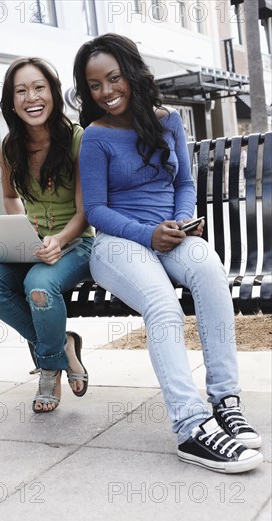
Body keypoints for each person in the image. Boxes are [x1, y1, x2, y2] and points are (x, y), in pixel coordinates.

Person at [73, 33, 263, 473]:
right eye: (95, 84)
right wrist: (148, 234)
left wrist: (179, 222)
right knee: (163, 305)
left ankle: (225, 401)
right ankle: (191, 427)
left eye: (114, 78)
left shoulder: (167, 121)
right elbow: (97, 210)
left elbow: (184, 184)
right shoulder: (94, 137)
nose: (106, 91)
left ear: (132, 74)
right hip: (119, 245)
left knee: (211, 271)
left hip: (171, 235)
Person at [0, 57, 94, 413]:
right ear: (12, 102)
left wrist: (58, 240)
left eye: (39, 87)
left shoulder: (77, 139)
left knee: (39, 286)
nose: (31, 97)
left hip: (76, 244)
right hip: (33, 244)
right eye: (21, 90)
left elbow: (85, 210)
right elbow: (10, 198)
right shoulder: (10, 147)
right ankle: (63, 348)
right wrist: (23, 233)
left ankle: (48, 369)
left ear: (53, 94)